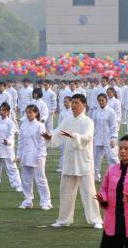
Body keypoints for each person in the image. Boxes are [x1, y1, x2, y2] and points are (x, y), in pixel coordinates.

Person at [43, 94, 103, 228]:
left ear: (84, 105)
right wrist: (49, 137)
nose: (73, 106)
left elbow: (87, 137)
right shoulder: (67, 119)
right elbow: (58, 132)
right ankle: (64, 219)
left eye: (76, 103)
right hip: (69, 160)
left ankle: (96, 219)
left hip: (83, 161)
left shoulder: (88, 121)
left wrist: (74, 136)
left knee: (89, 192)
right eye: (73, 103)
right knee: (66, 191)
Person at [15, 104, 51, 209]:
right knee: (25, 179)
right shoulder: (23, 125)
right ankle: (28, 200)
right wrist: (18, 155)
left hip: (37, 156)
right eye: (27, 112)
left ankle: (46, 201)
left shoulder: (40, 125)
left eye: (31, 112)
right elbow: (20, 142)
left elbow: (42, 142)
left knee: (40, 179)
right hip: (26, 155)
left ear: (36, 113)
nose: (29, 114)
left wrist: (41, 156)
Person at [92, 93, 119, 182]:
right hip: (98, 138)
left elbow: (114, 126)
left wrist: (113, 138)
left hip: (108, 138)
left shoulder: (111, 112)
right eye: (99, 100)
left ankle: (117, 176)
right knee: (95, 158)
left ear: (106, 100)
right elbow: (93, 125)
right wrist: (92, 137)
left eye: (102, 100)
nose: (101, 102)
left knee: (112, 158)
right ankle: (95, 177)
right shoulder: (95, 112)